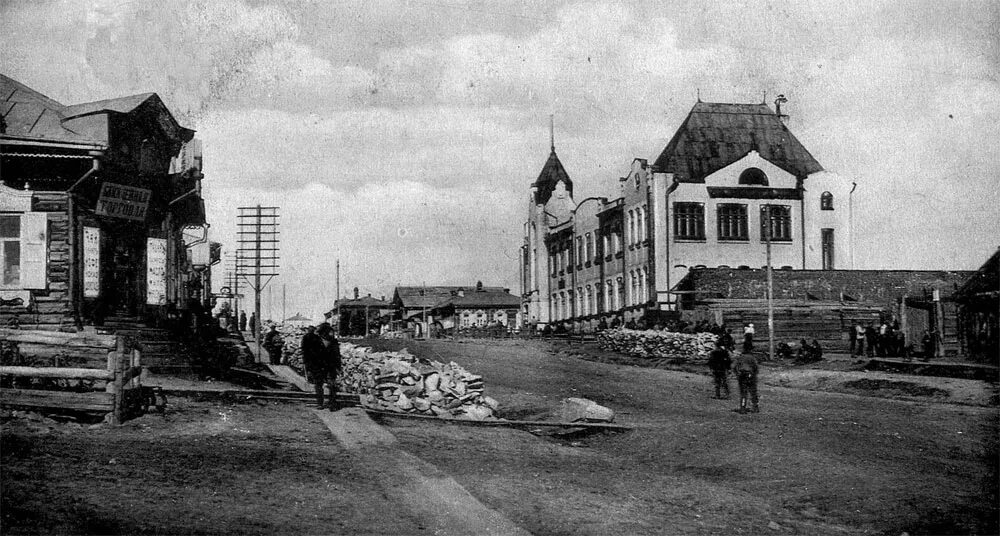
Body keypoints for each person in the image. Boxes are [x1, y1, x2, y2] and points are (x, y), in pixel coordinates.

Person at [316, 323, 343, 410]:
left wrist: (338, 367)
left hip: (331, 366)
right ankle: (320, 403)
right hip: (319, 366)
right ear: (324, 332)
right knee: (318, 385)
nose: (332, 333)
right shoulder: (317, 341)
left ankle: (332, 403)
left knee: (332, 385)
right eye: (330, 332)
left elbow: (337, 355)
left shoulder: (334, 342)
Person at [300, 326, 326, 408]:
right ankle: (320, 403)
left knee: (313, 381)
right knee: (318, 384)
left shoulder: (306, 337)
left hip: (311, 362)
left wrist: (304, 359)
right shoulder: (318, 338)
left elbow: (303, 349)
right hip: (319, 362)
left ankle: (317, 401)